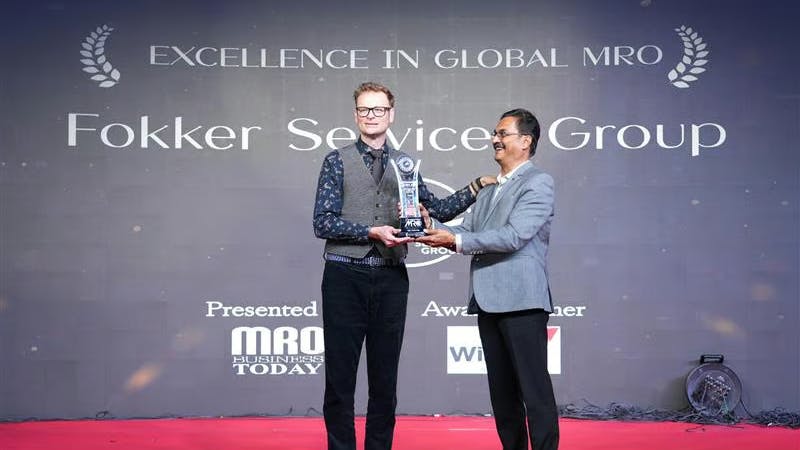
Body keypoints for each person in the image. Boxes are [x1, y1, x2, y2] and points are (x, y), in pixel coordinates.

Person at [312, 81, 494, 450]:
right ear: (356, 115)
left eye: (378, 109)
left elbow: (436, 211)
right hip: (345, 275)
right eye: (364, 109)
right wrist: (370, 230)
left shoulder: (406, 165)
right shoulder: (336, 160)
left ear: (391, 115)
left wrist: (475, 187)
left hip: (392, 278)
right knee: (340, 379)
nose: (371, 116)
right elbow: (323, 222)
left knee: (385, 380)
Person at [416, 108, 559, 450]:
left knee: (534, 392)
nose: (494, 139)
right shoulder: (489, 189)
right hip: (488, 300)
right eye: (494, 133)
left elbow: (514, 236)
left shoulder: (538, 182)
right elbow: (466, 231)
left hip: (523, 301)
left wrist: (455, 240)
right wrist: (430, 227)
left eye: (502, 133)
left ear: (526, 142)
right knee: (503, 396)